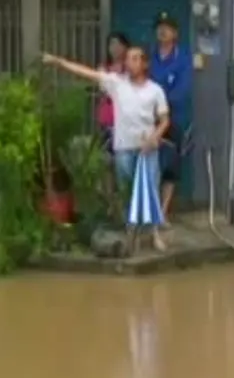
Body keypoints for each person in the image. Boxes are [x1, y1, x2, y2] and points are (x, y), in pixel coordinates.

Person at [41, 46, 170, 251]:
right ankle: (132, 233)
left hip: (147, 148)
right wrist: (59, 62)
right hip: (124, 148)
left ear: (145, 64)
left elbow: (164, 120)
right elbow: (86, 72)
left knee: (150, 191)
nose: (131, 62)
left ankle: (154, 234)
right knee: (127, 191)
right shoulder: (115, 83)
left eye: (136, 59)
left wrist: (155, 137)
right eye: (128, 59)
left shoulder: (155, 90)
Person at [148, 12, 193, 223]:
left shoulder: (183, 59)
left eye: (167, 27)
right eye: (159, 27)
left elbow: (182, 90)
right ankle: (148, 209)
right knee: (150, 163)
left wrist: (161, 106)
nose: (162, 30)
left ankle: (162, 213)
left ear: (175, 33)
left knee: (170, 166)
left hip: (174, 118)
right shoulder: (149, 57)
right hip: (148, 119)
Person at [97, 32, 130, 153]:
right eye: (111, 45)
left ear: (126, 47)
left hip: (125, 120)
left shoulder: (132, 68)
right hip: (107, 117)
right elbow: (104, 88)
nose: (114, 48)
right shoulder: (103, 68)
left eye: (118, 44)